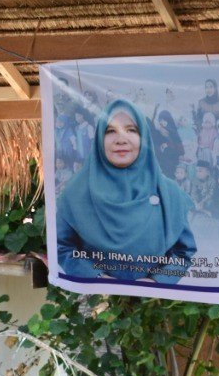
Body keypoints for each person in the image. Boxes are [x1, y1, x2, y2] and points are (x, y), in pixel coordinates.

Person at [56, 99, 196, 284]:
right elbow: (63, 247)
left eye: (131, 130)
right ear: (99, 139)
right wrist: (97, 279)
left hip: (157, 305)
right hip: (95, 301)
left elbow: (183, 251)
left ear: (144, 138)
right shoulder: (75, 193)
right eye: (111, 131)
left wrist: (157, 281)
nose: (121, 139)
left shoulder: (169, 193)